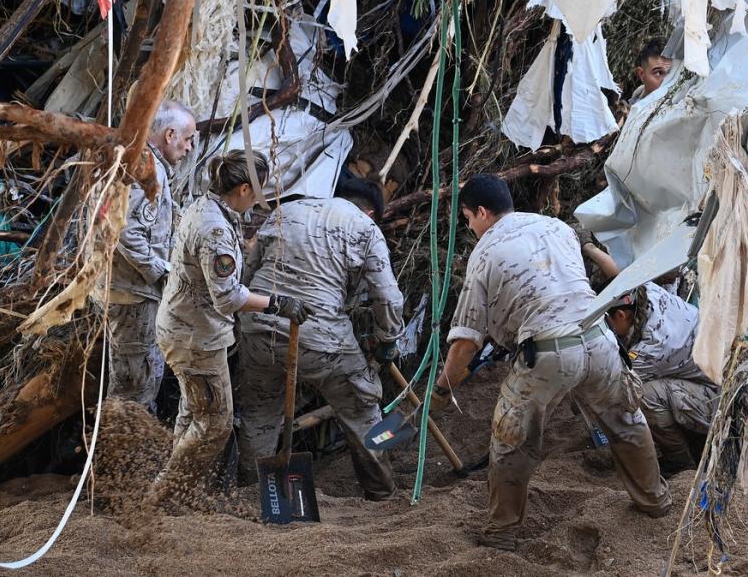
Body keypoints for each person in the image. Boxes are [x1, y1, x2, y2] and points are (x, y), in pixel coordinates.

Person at [428, 174, 671, 551]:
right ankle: (655, 502)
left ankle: (502, 532)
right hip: (599, 337)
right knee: (626, 421)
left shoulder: (485, 253)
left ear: (482, 212)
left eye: (468, 218)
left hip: (548, 351)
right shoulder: (556, 227)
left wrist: (443, 388)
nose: (471, 227)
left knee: (511, 441)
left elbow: (466, 342)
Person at [149, 150, 312, 503]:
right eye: (258, 190)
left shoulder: (205, 206)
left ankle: (178, 490)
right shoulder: (216, 230)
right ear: (243, 189)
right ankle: (163, 496)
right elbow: (227, 297)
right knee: (214, 425)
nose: (258, 199)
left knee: (193, 413)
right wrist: (278, 304)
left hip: (184, 328)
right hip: (196, 339)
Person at [237, 177, 404, 501]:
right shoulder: (365, 227)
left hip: (257, 328)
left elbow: (247, 274)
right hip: (321, 335)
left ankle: (253, 496)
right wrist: (387, 340)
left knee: (259, 416)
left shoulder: (284, 211)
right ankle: (382, 493)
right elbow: (388, 296)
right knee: (362, 410)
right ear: (371, 212)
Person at [581, 242, 718, 477]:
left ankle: (680, 462)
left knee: (643, 394)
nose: (606, 331)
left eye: (606, 324)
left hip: (719, 401)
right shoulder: (644, 291)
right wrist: (589, 247)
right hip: (709, 376)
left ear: (621, 315)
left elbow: (617, 387)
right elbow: (618, 277)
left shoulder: (652, 348)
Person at [94, 101, 197, 412]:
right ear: (169, 134)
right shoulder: (145, 169)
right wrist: (161, 271)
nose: (189, 148)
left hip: (124, 290)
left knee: (136, 379)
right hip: (132, 296)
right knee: (134, 389)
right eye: (187, 139)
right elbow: (124, 231)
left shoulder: (138, 160)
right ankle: (122, 440)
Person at [630, 38, 672, 104]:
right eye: (658, 73)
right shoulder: (635, 102)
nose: (667, 80)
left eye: (672, 73)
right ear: (641, 74)